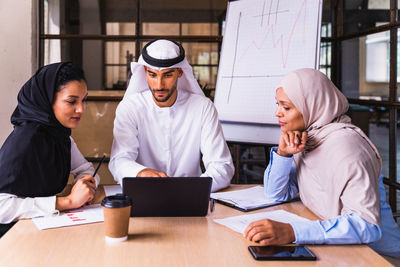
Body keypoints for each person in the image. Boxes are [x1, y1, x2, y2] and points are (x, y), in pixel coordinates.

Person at [244, 68, 400, 258]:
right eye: (278, 105)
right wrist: (284, 154)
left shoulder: (347, 147)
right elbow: (275, 194)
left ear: (312, 106)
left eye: (286, 107)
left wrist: (293, 232)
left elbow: (367, 226)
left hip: (378, 256)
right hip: (340, 249)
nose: (277, 113)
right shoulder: (309, 138)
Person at [109, 39, 234, 192]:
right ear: (144, 72)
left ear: (180, 72)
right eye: (153, 75)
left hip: (192, 196)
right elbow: (119, 160)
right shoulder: (130, 108)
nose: (159, 85)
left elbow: (222, 166)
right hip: (145, 193)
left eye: (167, 75)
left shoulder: (203, 107)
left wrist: (189, 189)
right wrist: (140, 173)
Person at [0, 62, 99, 237]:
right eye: (71, 101)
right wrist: (66, 201)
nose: (81, 109)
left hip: (38, 229)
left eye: (84, 100)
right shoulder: (26, 142)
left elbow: (85, 169)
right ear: (46, 99)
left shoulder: (59, 135)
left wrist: (85, 184)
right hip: (11, 239)